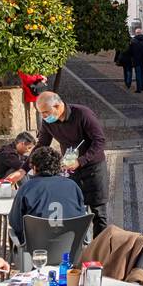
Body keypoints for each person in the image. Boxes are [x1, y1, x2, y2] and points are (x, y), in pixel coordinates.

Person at [34, 92, 109, 236]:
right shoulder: (49, 122)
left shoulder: (82, 114)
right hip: (71, 171)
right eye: (41, 113)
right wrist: (26, 167)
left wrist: (81, 161)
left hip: (93, 169)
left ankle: (99, 254)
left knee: (99, 215)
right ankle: (76, 249)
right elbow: (42, 144)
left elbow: (99, 141)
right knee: (72, 212)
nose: (43, 116)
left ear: (57, 106)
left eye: (45, 112)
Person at [8, 146, 87, 246]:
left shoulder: (26, 188)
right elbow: (81, 217)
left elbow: (15, 223)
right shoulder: (73, 186)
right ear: (59, 166)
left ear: (35, 168)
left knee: (12, 234)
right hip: (70, 251)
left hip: (35, 253)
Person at [128, 27, 143, 93]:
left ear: (136, 33)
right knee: (142, 72)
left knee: (138, 73)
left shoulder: (133, 41)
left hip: (136, 59)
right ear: (141, 33)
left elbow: (130, 51)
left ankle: (138, 88)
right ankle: (142, 87)